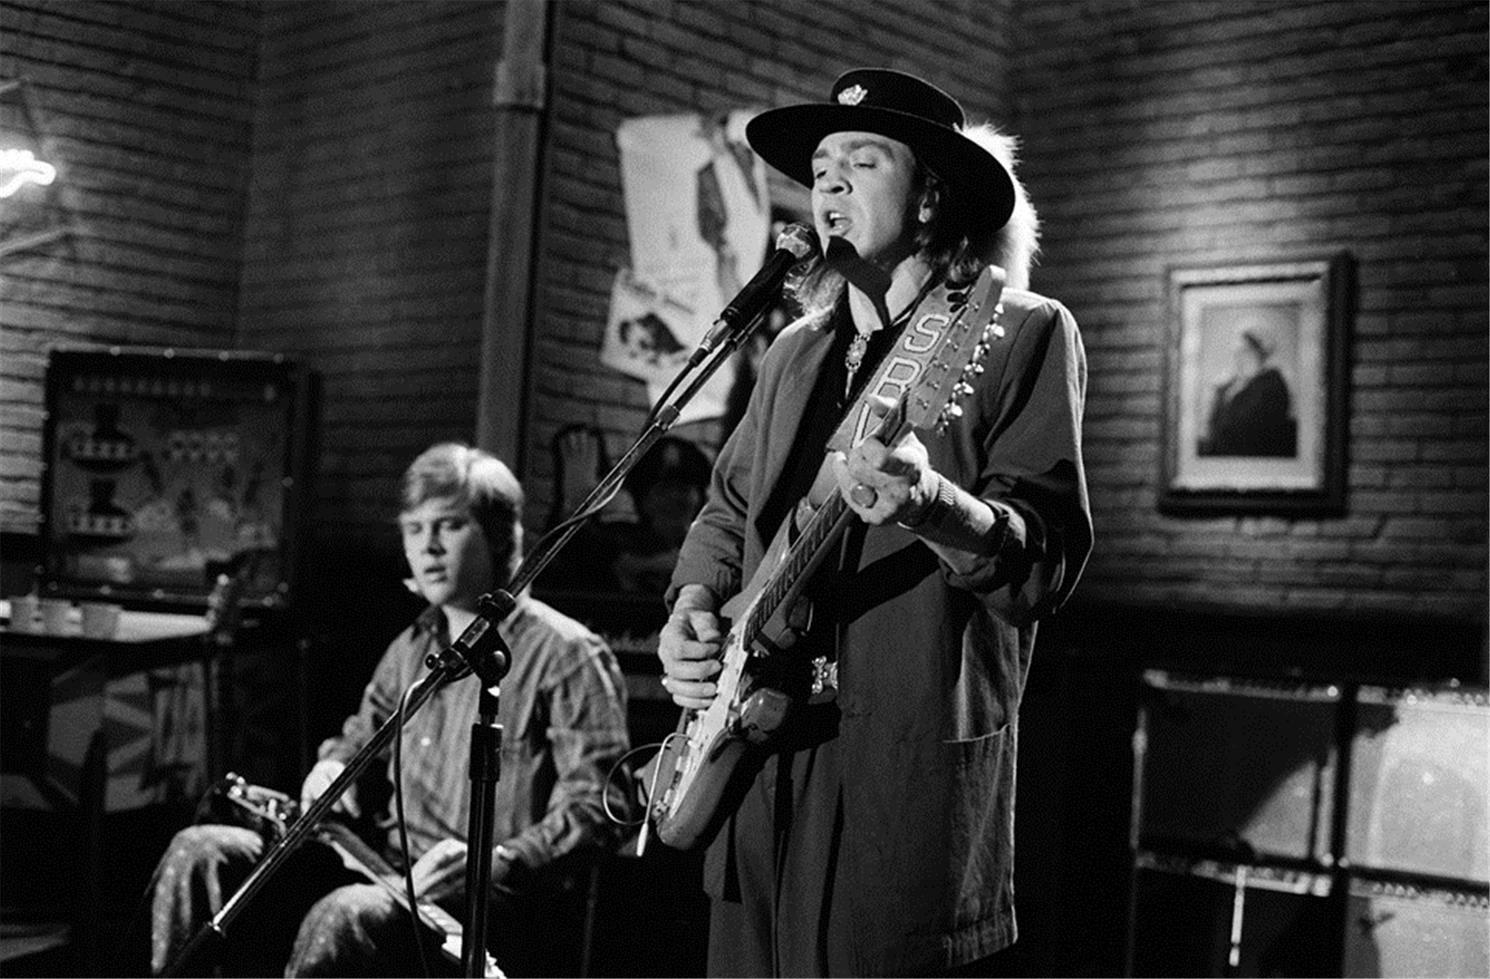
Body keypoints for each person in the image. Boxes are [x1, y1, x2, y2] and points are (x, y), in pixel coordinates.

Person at [656, 68, 1093, 977]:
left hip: (896, 769)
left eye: (863, 160)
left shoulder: (1020, 333)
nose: (830, 184)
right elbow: (727, 511)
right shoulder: (791, 351)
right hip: (753, 757)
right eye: (820, 168)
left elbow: (1044, 558)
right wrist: (692, 607)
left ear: (932, 197)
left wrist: (935, 504)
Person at [145, 443, 632, 977]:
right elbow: (358, 741)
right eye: (415, 530)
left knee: (349, 915)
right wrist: (334, 768)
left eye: (449, 526)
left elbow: (599, 809)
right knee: (203, 850)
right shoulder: (409, 648)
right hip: (386, 869)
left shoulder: (566, 653)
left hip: (489, 902)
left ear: (498, 538)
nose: (429, 548)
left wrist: (497, 860)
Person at [1199, 327, 1297, 457]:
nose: (1239, 358)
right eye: (1237, 352)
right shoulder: (1228, 386)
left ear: (1260, 353)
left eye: (1245, 352)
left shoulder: (1272, 384)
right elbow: (1213, 425)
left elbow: (1246, 427)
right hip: (1221, 452)